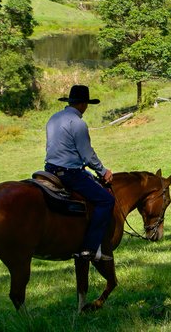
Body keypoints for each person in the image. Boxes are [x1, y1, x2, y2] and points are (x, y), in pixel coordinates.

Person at [45, 85, 115, 261]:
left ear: (70, 102)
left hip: (49, 170)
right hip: (70, 173)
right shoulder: (77, 123)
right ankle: (90, 248)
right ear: (84, 104)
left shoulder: (54, 118)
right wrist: (103, 171)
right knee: (106, 200)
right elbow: (86, 153)